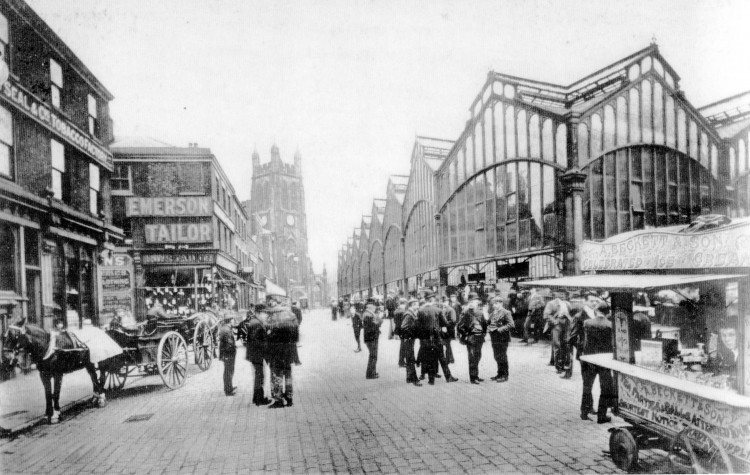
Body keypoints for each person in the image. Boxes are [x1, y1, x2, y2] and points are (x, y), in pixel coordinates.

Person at [580, 300, 616, 423]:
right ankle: (602, 416)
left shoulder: (587, 323)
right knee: (605, 387)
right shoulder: (610, 325)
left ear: (596, 311)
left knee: (587, 386)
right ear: (608, 313)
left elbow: (584, 342)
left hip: (589, 359)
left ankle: (584, 412)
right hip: (604, 361)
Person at [417, 292, 457, 385]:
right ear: (432, 300)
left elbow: (417, 325)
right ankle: (448, 377)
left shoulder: (420, 310)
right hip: (436, 338)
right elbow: (445, 323)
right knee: (442, 358)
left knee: (430, 358)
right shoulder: (438, 310)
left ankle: (431, 380)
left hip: (425, 339)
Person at [265, 297, 299, 408]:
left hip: (276, 351)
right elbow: (296, 335)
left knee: (276, 374)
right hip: (289, 351)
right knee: (288, 374)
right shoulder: (291, 315)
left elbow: (268, 336)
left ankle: (278, 400)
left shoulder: (272, 317)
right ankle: (289, 398)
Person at [457, 292, 487, 384]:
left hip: (479, 337)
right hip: (471, 337)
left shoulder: (479, 312)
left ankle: (476, 375)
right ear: (470, 301)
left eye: (476, 301)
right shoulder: (466, 312)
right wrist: (466, 335)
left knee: (478, 356)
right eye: (474, 300)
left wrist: (483, 334)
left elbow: (484, 324)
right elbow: (460, 326)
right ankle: (473, 378)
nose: (476, 302)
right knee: (472, 357)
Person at [244, 306, 271, 406]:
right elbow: (259, 341)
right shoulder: (257, 324)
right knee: (259, 376)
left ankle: (256, 398)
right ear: (260, 312)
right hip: (256, 354)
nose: (266, 315)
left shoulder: (255, 321)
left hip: (254, 353)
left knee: (259, 375)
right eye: (265, 313)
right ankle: (259, 399)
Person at [487, 296, 514, 382]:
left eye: (496, 303)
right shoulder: (493, 313)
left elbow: (511, 324)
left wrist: (500, 329)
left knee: (502, 356)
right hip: (494, 337)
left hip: (502, 337)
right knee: (497, 356)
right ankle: (499, 373)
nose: (494, 305)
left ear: (501, 303)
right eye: (494, 304)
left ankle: (504, 375)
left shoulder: (506, 312)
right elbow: (489, 322)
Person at [400, 298, 422, 386]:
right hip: (408, 339)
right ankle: (414, 379)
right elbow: (404, 327)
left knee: (409, 359)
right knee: (411, 359)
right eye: (417, 304)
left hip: (408, 339)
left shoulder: (410, 313)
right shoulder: (409, 314)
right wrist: (411, 333)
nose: (418, 306)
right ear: (413, 305)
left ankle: (409, 378)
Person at [362, 299, 383, 379]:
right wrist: (379, 320)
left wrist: (379, 320)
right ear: (370, 307)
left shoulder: (369, 314)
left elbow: (376, 323)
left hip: (371, 337)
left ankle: (372, 372)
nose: (375, 308)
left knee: (373, 356)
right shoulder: (368, 315)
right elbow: (371, 327)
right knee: (373, 356)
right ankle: (370, 374)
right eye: (374, 306)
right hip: (371, 338)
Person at [218, 316, 237, 396]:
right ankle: (228, 390)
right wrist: (233, 349)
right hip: (228, 353)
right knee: (228, 371)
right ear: (229, 321)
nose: (234, 322)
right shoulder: (227, 330)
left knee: (228, 371)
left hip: (226, 353)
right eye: (233, 320)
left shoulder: (225, 328)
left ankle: (229, 387)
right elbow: (229, 343)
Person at [440, 296, 457, 365]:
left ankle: (448, 359)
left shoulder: (451, 310)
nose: (444, 303)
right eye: (443, 302)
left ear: (447, 302)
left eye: (445, 302)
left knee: (447, 344)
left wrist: (445, 325)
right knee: (447, 344)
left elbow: (453, 321)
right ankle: (451, 359)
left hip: (449, 330)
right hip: (444, 330)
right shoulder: (442, 309)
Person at [393, 298, 407, 367]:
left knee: (402, 346)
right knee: (404, 347)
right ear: (405, 303)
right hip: (404, 330)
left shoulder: (396, 310)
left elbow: (395, 322)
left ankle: (401, 361)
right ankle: (401, 362)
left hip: (399, 330)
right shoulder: (404, 311)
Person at [291, 301, 302, 365]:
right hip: (295, 326)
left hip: (288, 329)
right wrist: (298, 323)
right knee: (293, 343)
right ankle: (296, 361)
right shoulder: (298, 309)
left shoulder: (289, 310)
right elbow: (300, 318)